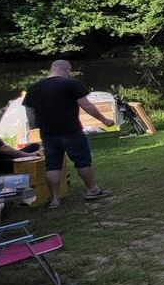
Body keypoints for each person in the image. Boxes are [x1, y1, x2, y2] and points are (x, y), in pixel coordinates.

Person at [22, 60, 114, 207]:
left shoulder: (34, 87)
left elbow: (30, 111)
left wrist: (35, 126)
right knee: (82, 160)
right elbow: (87, 106)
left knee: (53, 165)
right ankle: (92, 190)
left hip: (47, 133)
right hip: (71, 130)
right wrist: (104, 120)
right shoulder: (70, 84)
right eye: (69, 71)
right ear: (67, 69)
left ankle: (54, 199)